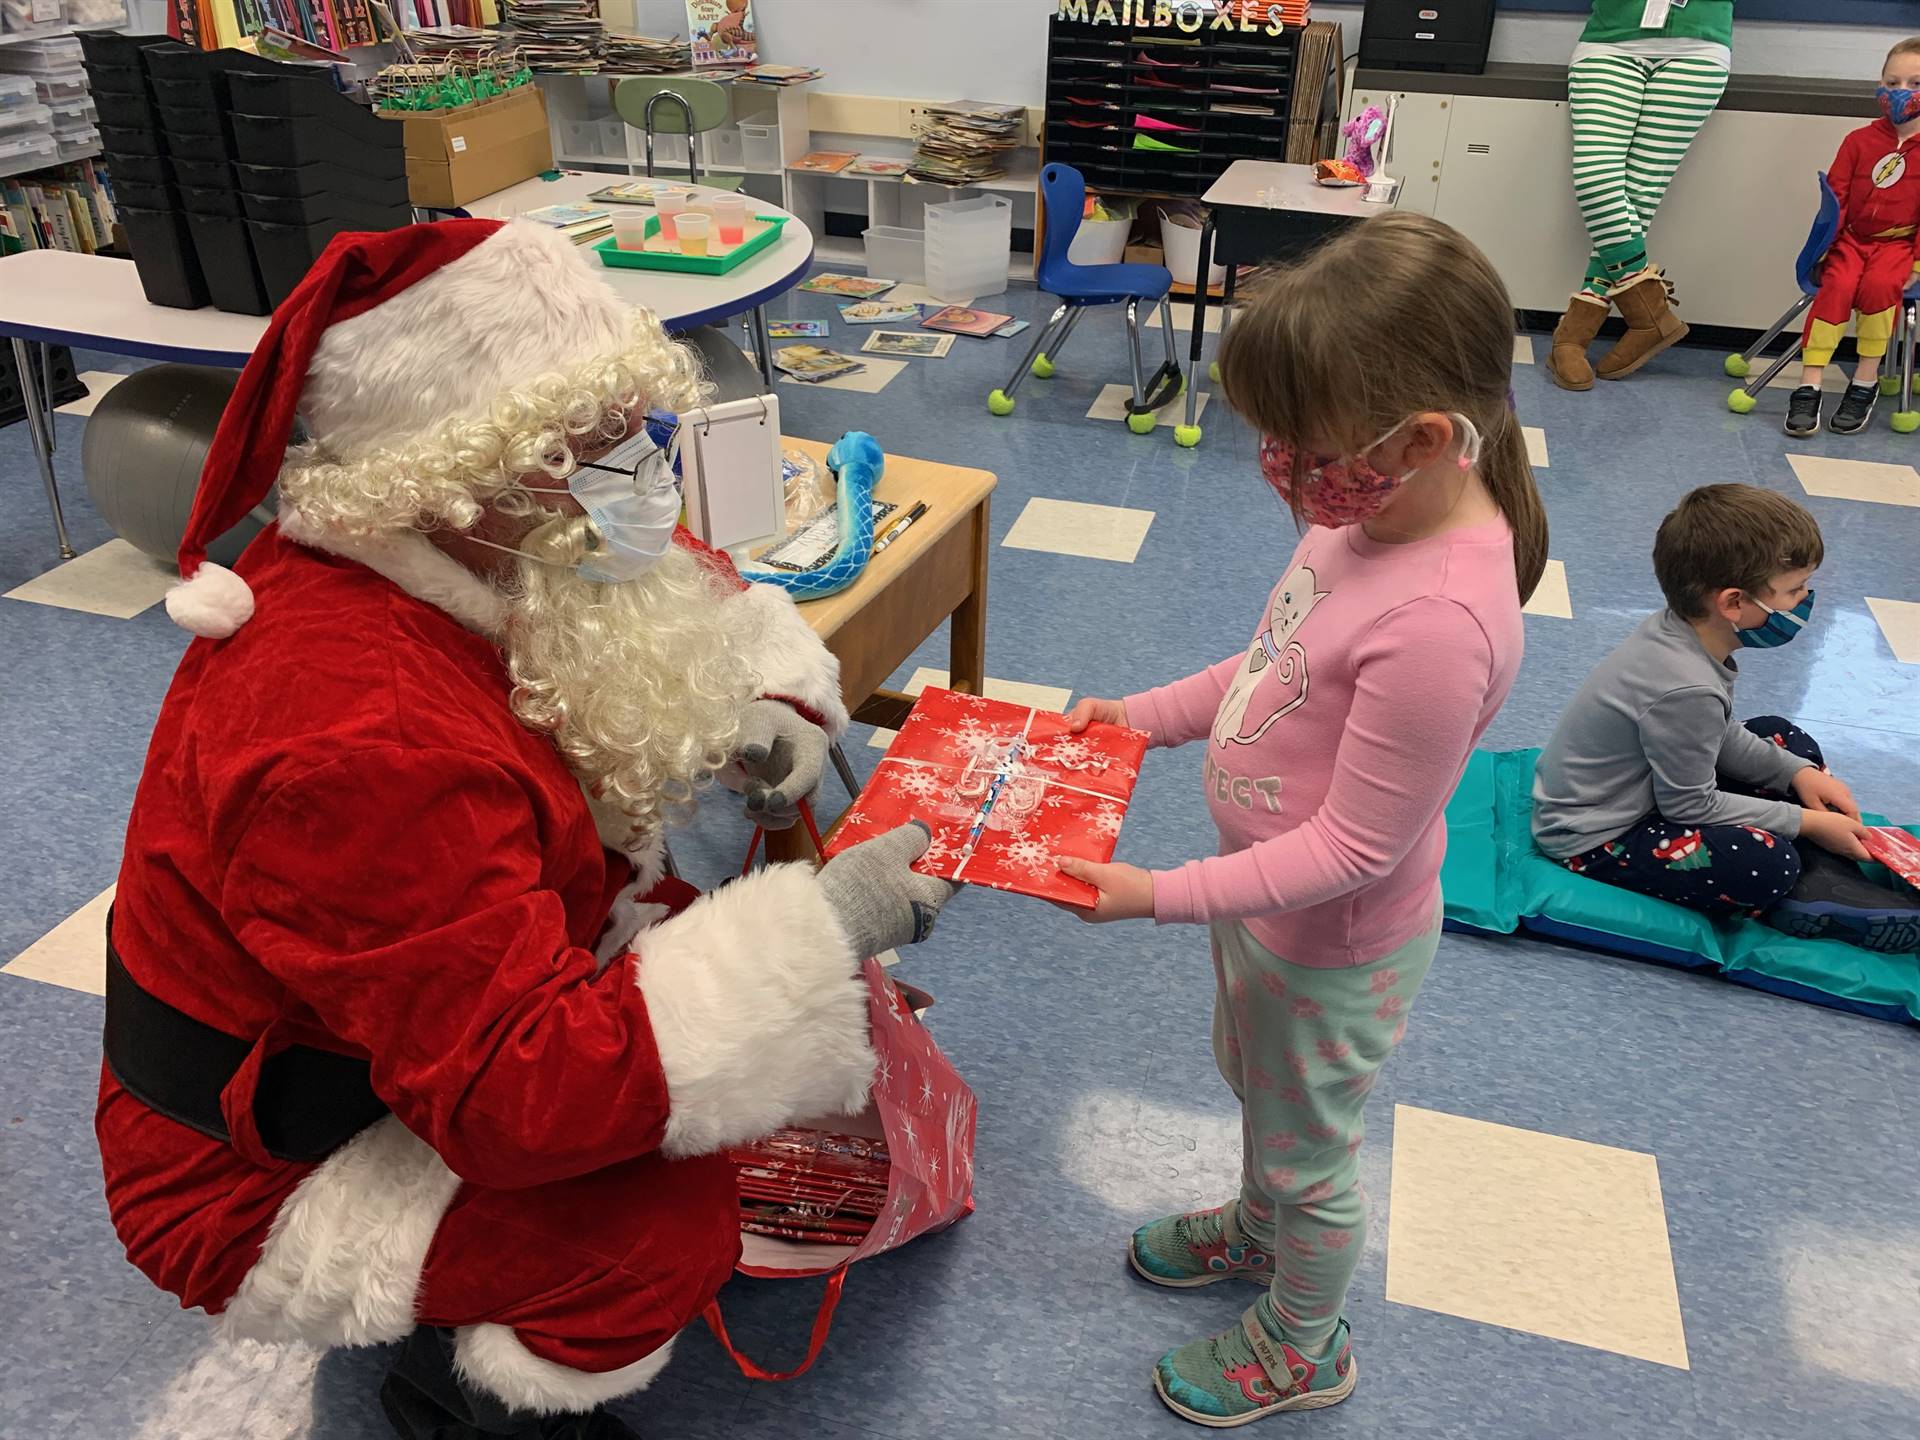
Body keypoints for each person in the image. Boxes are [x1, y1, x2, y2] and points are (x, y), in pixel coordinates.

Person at [96, 219, 955, 1440]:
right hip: (252, 1156)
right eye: (590, 447)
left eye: (638, 429)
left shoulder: (492, 541)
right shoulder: (354, 734)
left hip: (399, 1023)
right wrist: (815, 933)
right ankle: (486, 1402)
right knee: (667, 1230)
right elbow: (520, 1099)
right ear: (449, 472)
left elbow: (685, 583)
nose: (647, 474)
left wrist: (770, 701)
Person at [1056, 213, 1543, 1427]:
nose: (1282, 468)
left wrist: (1155, 894)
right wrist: (1144, 715)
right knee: (1257, 1091)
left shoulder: (1442, 620)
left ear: (1423, 438)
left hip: (1332, 943)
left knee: (1310, 1154)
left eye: (1304, 444)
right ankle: (1258, 1226)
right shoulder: (1365, 515)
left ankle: (1303, 1341)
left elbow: (1356, 849)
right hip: (1267, 912)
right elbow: (1274, 661)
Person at [1533, 485, 1918, 952]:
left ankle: (1816, 861)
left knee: (1782, 737)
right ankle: (1800, 892)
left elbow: (1717, 736)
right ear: (1734, 603)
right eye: (1794, 589)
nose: (1804, 600)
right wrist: (1805, 823)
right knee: (1766, 862)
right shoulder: (1685, 687)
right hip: (1598, 835)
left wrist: (1795, 773)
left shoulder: (1680, 630)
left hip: (1651, 788)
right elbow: (1689, 809)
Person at [1547, 0, 1734, 391]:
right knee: (1596, 178)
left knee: (1640, 191)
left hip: (1699, 47)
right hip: (1610, 43)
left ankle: (1574, 333)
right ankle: (1651, 315)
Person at [1784, 37, 1920, 438]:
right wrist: (1823, 249)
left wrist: (1916, 263)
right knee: (1836, 287)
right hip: (1852, 241)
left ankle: (1865, 380)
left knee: (1881, 289)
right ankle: (1810, 382)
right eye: (1892, 83)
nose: (1901, 93)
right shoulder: (1858, 141)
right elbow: (1836, 199)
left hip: (1897, 245)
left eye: (1914, 83)